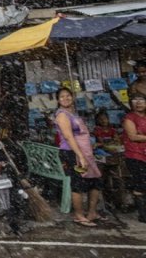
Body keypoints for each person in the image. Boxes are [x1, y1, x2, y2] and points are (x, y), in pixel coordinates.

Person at [54, 87, 104, 227]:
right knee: (78, 183)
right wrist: (80, 156)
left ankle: (92, 212)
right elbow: (69, 137)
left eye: (68, 95)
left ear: (73, 97)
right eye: (62, 96)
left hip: (85, 152)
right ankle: (79, 215)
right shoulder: (62, 115)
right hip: (72, 153)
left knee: (95, 181)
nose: (65, 98)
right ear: (58, 100)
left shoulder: (73, 113)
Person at [122, 94, 146, 223]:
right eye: (135, 100)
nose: (138, 103)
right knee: (141, 184)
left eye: (141, 100)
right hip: (135, 155)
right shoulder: (129, 118)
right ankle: (143, 214)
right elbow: (133, 136)